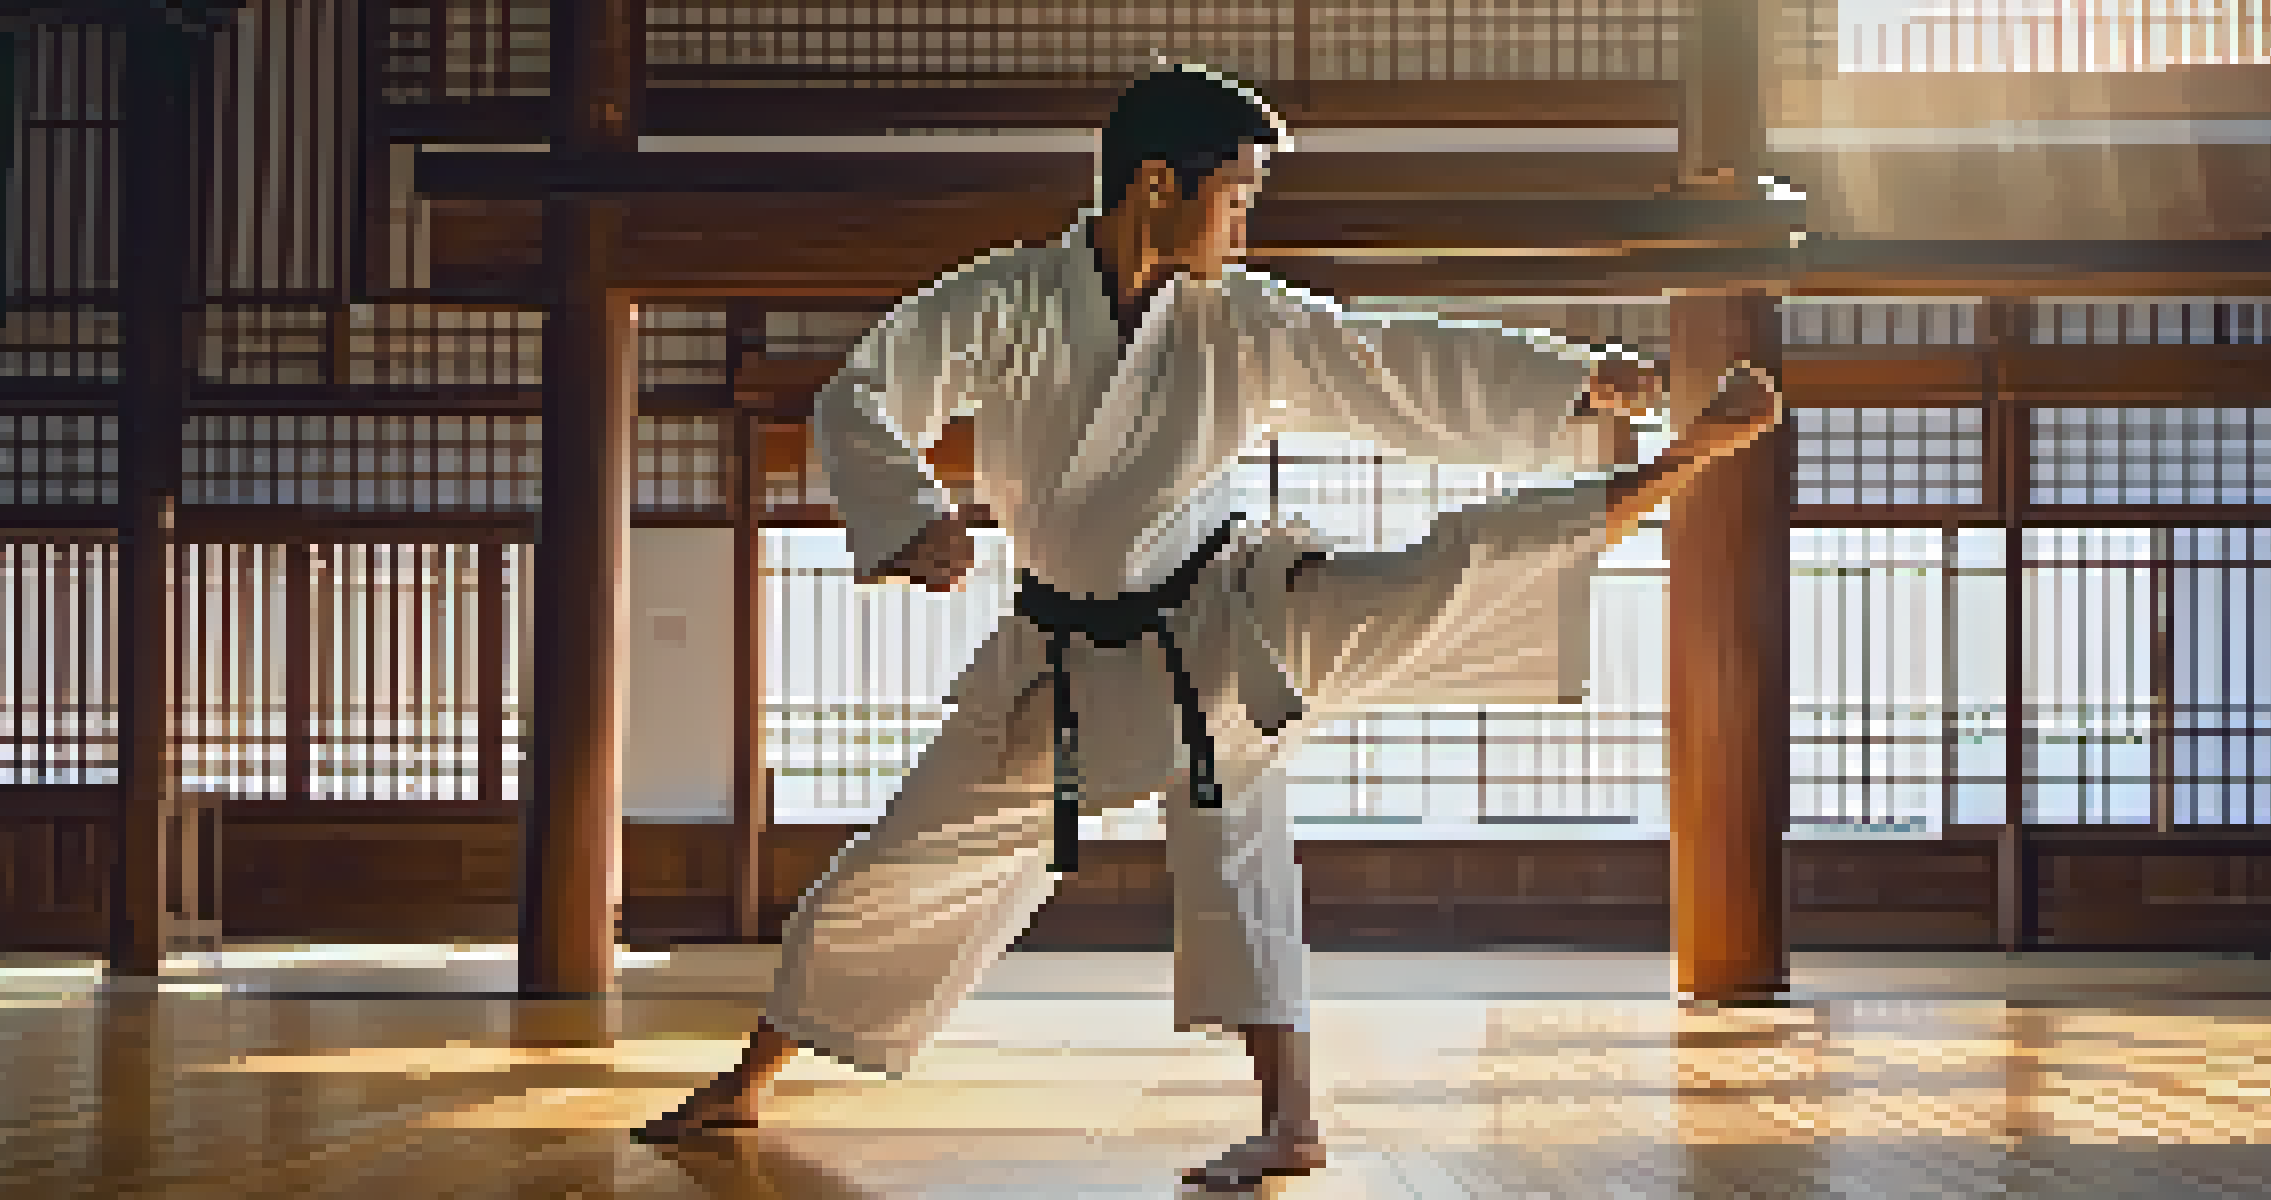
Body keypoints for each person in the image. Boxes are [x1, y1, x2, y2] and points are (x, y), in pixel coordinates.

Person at [637, 64, 1786, 1191]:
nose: (1245, 218)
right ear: (1155, 185)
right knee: (887, 869)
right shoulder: (1010, 298)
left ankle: (1290, 1122)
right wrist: (912, 513)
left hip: (1219, 623)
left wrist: (1568, 385)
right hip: (1060, 658)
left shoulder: (1238, 318)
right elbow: (867, 390)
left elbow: (1386, 362)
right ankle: (748, 1079)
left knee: (1273, 809)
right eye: (1235, 193)